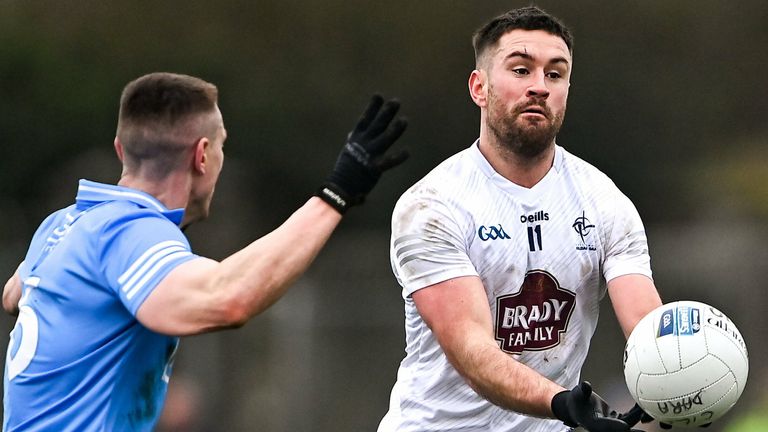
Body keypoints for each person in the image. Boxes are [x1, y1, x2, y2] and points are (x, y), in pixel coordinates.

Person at [2, 72, 408, 431]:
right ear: (202, 155)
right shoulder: (129, 231)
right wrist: (336, 194)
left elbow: (13, 295)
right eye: (221, 147)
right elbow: (225, 298)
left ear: (121, 150)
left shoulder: (64, 224)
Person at [378, 6, 664, 432]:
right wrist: (563, 403)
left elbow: (646, 326)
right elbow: (474, 351)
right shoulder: (432, 205)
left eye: (555, 74)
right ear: (480, 86)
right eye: (520, 69)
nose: (539, 87)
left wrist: (676, 376)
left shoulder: (604, 201)